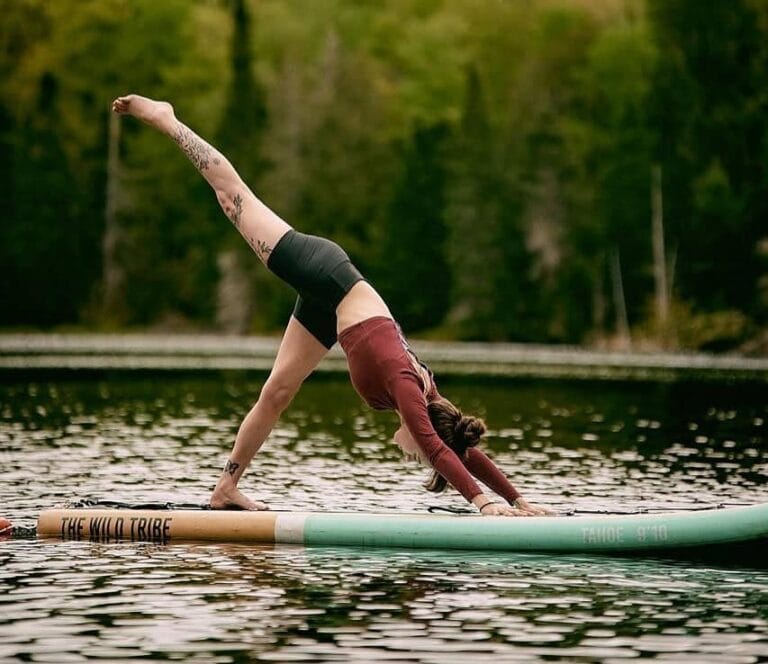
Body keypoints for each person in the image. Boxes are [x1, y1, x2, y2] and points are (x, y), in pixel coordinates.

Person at [112, 94, 553, 517]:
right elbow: (439, 449)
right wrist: (485, 504)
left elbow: (457, 448)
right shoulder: (408, 391)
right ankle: (166, 118)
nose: (413, 457)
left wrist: (518, 500)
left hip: (332, 311)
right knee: (233, 197)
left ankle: (226, 488)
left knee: (276, 393)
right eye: (419, 455)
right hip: (327, 274)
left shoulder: (426, 396)